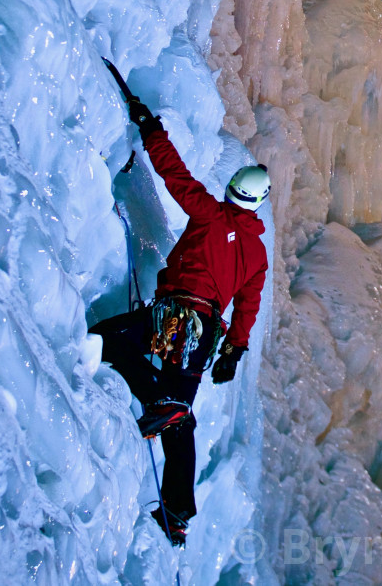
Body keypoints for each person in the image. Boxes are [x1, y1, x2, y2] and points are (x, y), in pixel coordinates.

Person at [90, 90, 269, 546]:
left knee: (106, 341)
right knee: (180, 419)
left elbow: (176, 176)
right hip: (207, 333)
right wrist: (235, 349)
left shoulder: (210, 215)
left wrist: (150, 128)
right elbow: (248, 305)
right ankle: (178, 513)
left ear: (233, 192)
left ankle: (158, 400)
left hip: (176, 315)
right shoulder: (258, 254)